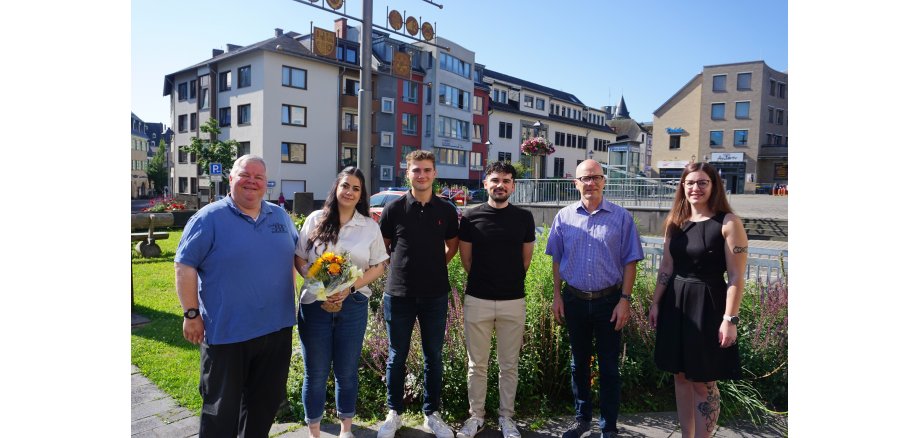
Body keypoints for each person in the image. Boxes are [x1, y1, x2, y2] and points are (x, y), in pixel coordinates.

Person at [174, 154, 299, 437]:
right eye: (245, 175)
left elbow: (297, 257)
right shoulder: (208, 218)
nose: (251, 181)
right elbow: (184, 266)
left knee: (263, 407)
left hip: (276, 329)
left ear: (266, 183)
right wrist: (191, 314)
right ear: (231, 179)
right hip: (227, 333)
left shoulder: (279, 216)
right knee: (221, 412)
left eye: (258, 177)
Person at [544, 159, 644, 438]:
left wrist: (625, 300)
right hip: (574, 300)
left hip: (609, 302)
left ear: (604, 181)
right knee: (578, 364)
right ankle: (582, 420)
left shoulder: (621, 218)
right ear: (575, 183)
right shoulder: (564, 216)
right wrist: (556, 296)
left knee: (609, 366)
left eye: (595, 177)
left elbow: (630, 262)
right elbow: (556, 260)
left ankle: (608, 426)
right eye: (584, 178)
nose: (590, 183)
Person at [648, 162, 748, 438]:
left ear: (714, 186)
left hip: (708, 305)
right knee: (680, 377)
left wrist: (730, 319)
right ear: (682, 186)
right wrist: (656, 303)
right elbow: (666, 267)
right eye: (690, 182)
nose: (695, 188)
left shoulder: (728, 223)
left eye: (703, 182)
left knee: (704, 381)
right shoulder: (675, 222)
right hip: (675, 304)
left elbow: (736, 276)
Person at [294, 167, 389, 438]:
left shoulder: (369, 226)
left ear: (361, 195)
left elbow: (379, 265)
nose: (349, 192)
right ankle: (314, 431)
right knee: (315, 372)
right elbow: (299, 257)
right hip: (314, 306)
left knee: (346, 372)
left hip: (353, 305)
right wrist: (316, 281)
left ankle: (345, 429)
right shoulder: (315, 219)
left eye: (356, 188)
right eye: (345, 185)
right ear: (336, 187)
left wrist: (350, 287)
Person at [377, 150, 459, 438]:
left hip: (435, 295)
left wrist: (435, 265)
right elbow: (384, 247)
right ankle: (394, 413)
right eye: (416, 170)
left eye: (426, 170)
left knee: (433, 356)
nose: (421, 175)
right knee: (396, 356)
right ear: (408, 173)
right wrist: (401, 268)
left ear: (434, 173)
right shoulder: (393, 209)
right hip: (398, 294)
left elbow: (452, 245)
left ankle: (431, 414)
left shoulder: (446, 210)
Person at [456, 162, 535, 438]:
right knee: (476, 365)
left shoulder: (524, 218)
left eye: (506, 180)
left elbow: (525, 261)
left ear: (513, 186)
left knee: (508, 365)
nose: (500, 185)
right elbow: (467, 260)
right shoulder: (470, 216)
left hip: (513, 301)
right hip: (478, 299)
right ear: (486, 183)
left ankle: (506, 418)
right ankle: (476, 417)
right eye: (495, 180)